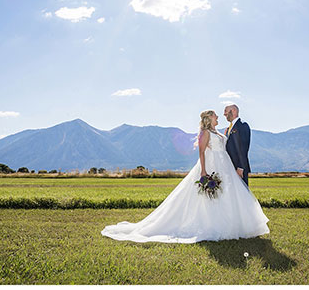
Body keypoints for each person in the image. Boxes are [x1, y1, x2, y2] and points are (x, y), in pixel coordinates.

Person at [100, 110, 269, 243]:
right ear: (209, 118)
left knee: (226, 194)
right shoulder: (205, 133)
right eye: (215, 115)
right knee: (209, 197)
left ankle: (232, 224)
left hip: (225, 166)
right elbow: (201, 153)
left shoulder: (218, 132)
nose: (218, 116)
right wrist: (203, 171)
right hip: (212, 165)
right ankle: (211, 224)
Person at [223, 104, 251, 186]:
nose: (224, 114)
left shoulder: (243, 126)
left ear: (234, 111)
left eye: (226, 111)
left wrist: (241, 167)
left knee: (242, 191)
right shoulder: (228, 129)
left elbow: (243, 147)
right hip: (229, 167)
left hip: (238, 168)